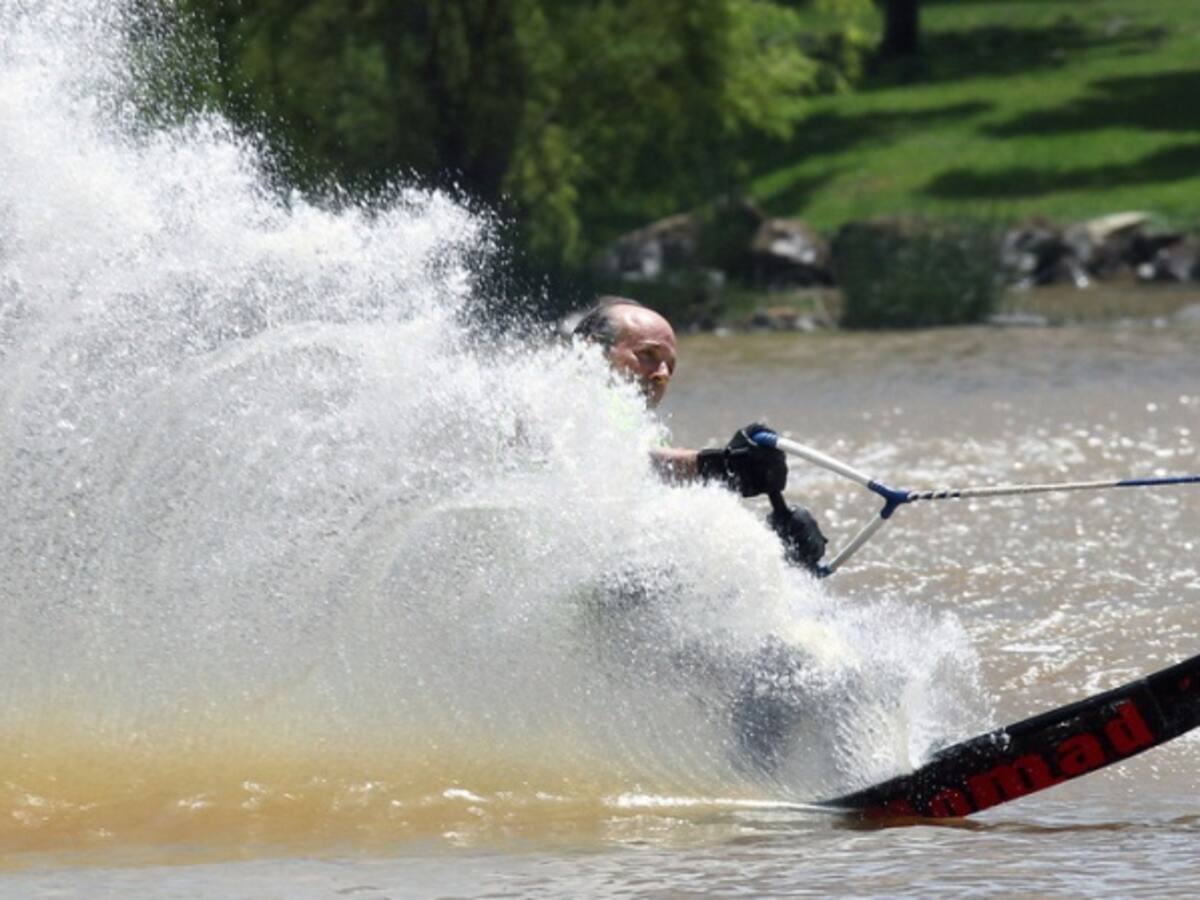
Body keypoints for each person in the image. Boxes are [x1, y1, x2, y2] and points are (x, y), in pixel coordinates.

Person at [572, 296, 827, 574]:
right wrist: (720, 467)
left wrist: (776, 549)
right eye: (648, 355)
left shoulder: (644, 431)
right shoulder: (561, 402)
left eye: (670, 366)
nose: (662, 374)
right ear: (590, 352)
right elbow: (616, 459)